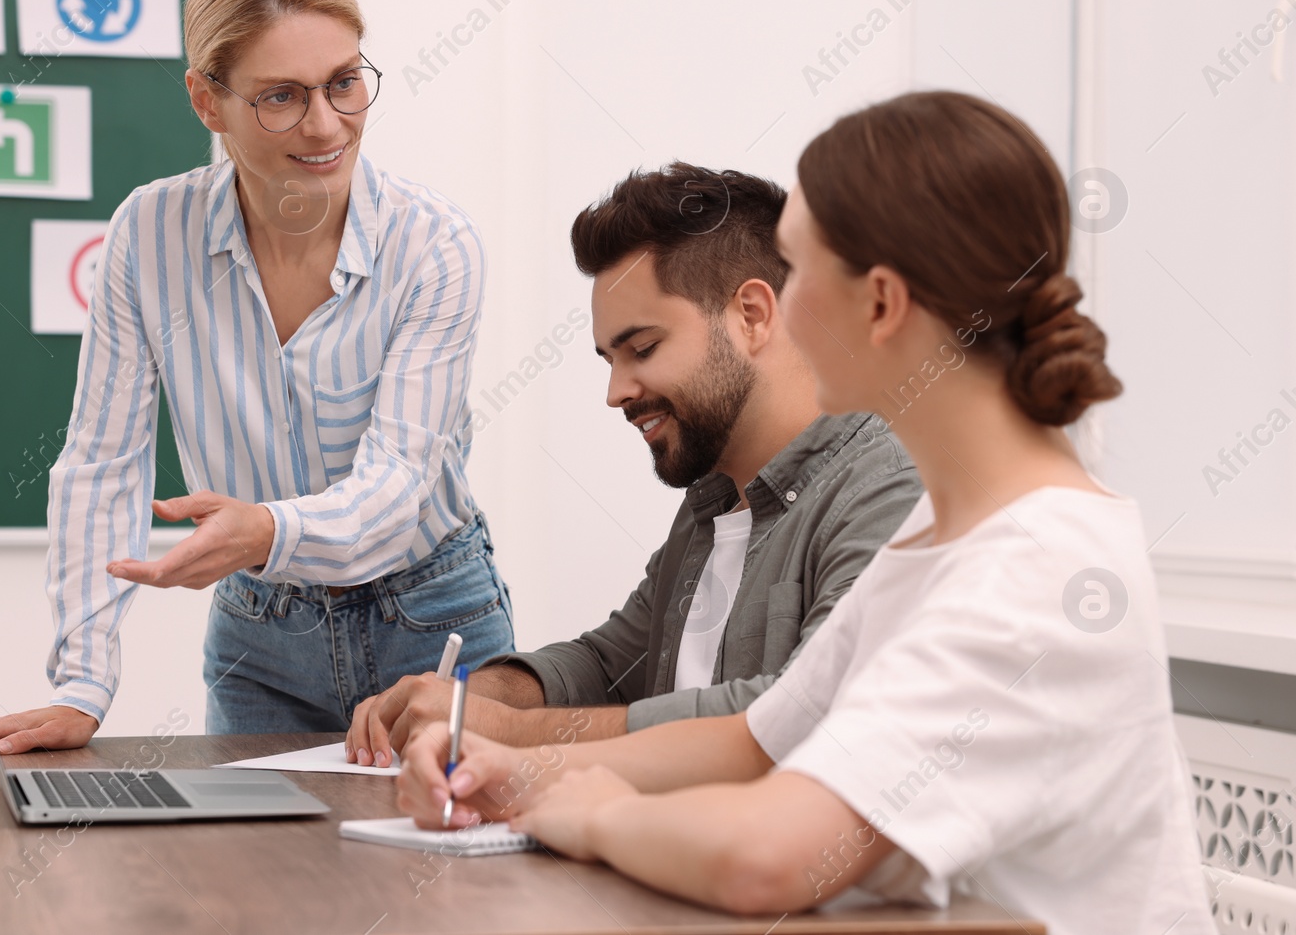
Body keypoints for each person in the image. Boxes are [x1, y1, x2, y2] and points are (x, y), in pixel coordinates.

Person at [393, 91, 1215, 932]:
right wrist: (510, 770)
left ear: (882, 303)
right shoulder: (930, 545)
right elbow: (756, 739)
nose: (780, 306)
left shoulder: (1033, 568)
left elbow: (770, 856)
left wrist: (596, 810)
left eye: (801, 268)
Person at [0, 0, 514, 753]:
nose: (326, 124)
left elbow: (395, 486)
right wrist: (84, 680)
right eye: (281, 97)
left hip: (431, 621)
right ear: (206, 100)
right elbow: (102, 463)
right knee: (249, 876)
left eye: (343, 82)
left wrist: (265, 529)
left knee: (449, 871)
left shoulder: (434, 246)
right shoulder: (149, 236)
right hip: (261, 637)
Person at [345, 163, 921, 767]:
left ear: (752, 315)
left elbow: (806, 715)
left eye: (643, 348)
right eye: (609, 359)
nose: (616, 391)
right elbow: (608, 664)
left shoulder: (887, 492)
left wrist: (501, 731)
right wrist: (477, 696)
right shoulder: (714, 504)